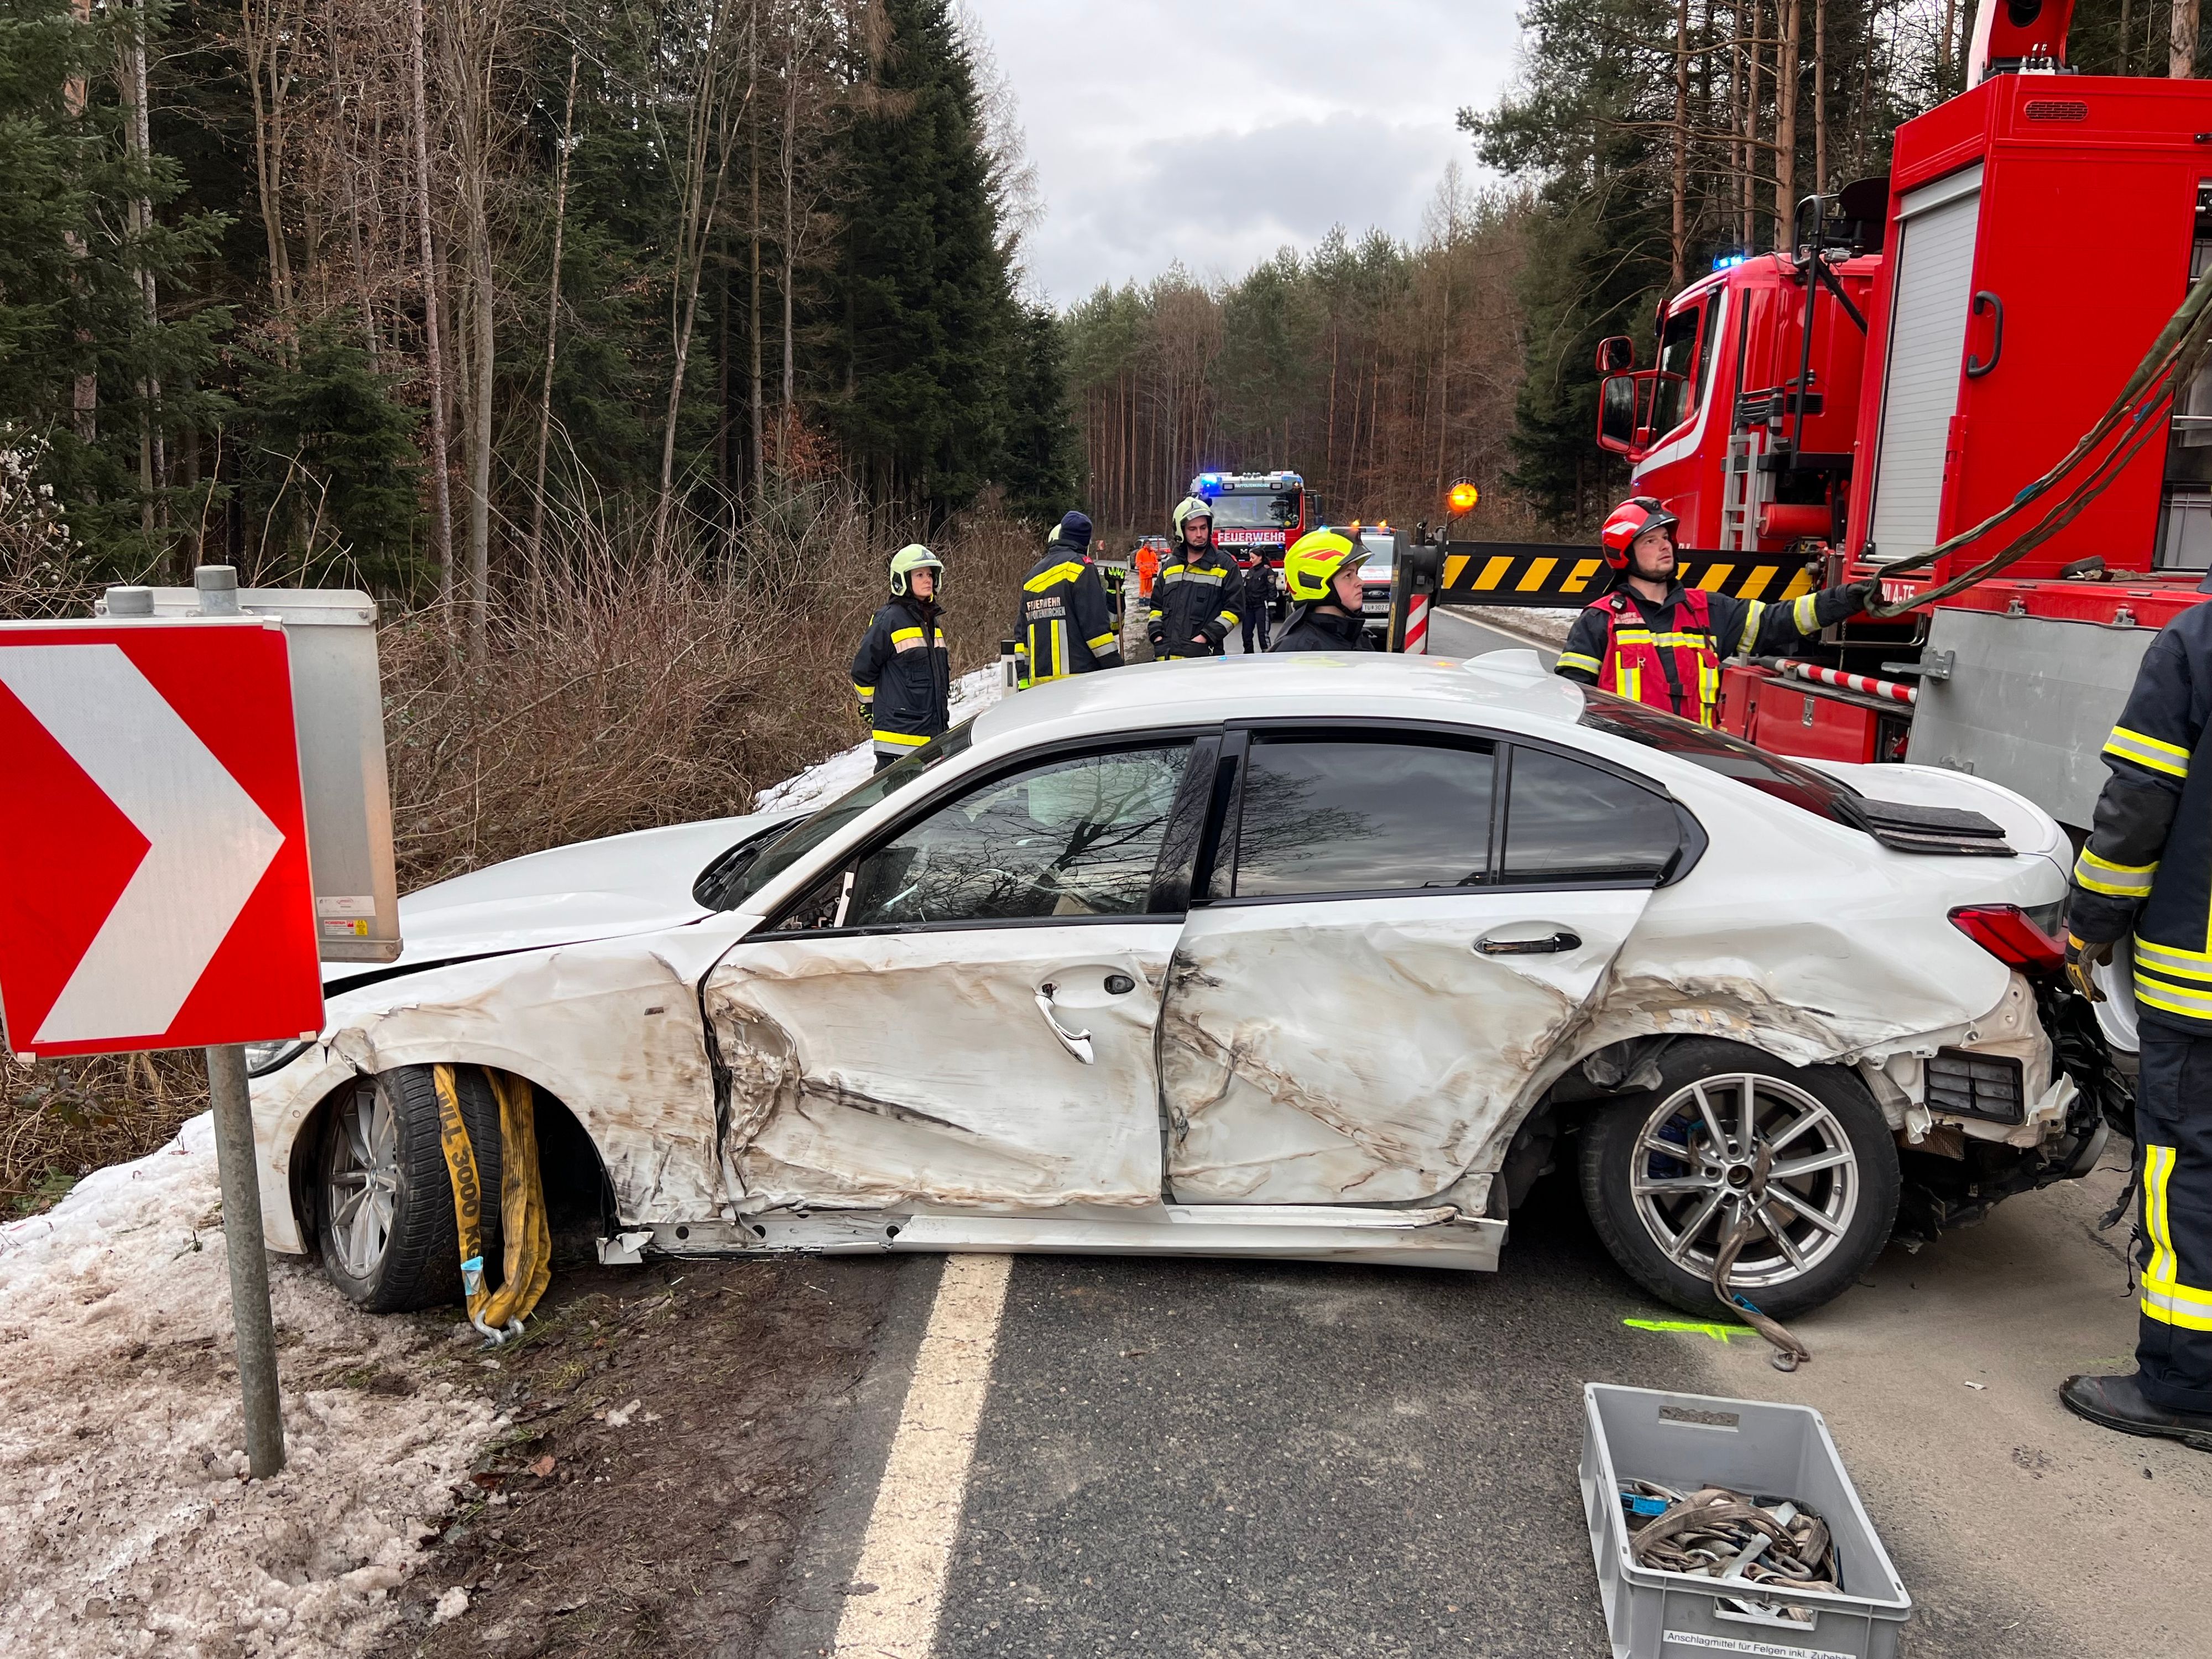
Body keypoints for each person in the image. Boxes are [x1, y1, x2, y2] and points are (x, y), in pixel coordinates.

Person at [2059, 603, 2212, 1453]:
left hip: (2203, 988)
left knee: (2188, 1172)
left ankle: (2185, 1386)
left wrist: (2093, 920)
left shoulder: (2199, 640)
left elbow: (2140, 802)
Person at [1553, 496, 1880, 725]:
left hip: (1698, 771)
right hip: (1631, 773)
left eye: (1665, 537)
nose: (1665, 546)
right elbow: (1569, 703)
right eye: (1650, 541)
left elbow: (1776, 621)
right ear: (1624, 554)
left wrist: (1843, 599)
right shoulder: (1600, 621)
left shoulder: (1708, 610)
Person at [852, 544, 951, 771]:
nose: (928, 580)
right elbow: (862, 670)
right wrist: (869, 706)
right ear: (902, 580)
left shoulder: (931, 621)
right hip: (899, 742)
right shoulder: (889, 620)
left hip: (931, 738)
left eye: (930, 574)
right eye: (920, 575)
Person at [1018, 510, 1122, 685]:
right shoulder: (1081, 568)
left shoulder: (1031, 577)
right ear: (1085, 542)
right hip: (1079, 684)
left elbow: (1022, 637)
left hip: (1039, 688)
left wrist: (1023, 680)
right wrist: (1117, 670)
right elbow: (1096, 631)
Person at [1147, 496, 1245, 660]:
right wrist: (1157, 637)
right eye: (1193, 529)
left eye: (1203, 528)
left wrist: (1204, 639)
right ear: (1181, 531)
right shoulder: (1170, 567)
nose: (1199, 534)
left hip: (1204, 661)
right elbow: (1156, 608)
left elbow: (1234, 611)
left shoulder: (1225, 566)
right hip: (1164, 660)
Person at [1268, 529, 1376, 654]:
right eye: (1348, 575)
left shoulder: (1354, 637)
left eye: (1356, 574)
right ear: (1315, 582)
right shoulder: (1300, 651)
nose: (1360, 582)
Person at [1235, 544, 1274, 653]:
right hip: (1249, 607)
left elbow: (1272, 589)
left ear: (1260, 557)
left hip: (1262, 606)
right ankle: (1248, 653)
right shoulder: (1250, 571)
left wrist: (1272, 606)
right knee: (1246, 633)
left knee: (1263, 634)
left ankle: (1268, 654)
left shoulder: (1267, 571)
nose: (1251, 560)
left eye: (1253, 558)